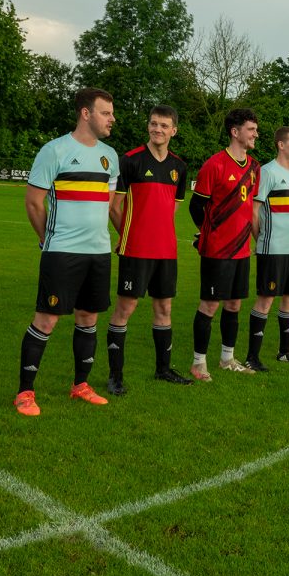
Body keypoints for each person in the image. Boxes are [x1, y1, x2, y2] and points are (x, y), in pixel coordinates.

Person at [14, 88, 120, 416]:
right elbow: (33, 202)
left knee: (89, 318)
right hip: (62, 252)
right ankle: (25, 393)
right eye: (106, 113)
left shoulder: (110, 156)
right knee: (46, 319)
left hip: (98, 252)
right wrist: (49, 239)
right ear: (86, 114)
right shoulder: (54, 151)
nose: (111, 119)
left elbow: (110, 204)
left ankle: (81, 385)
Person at [104, 105, 192, 393]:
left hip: (166, 251)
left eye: (164, 125)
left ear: (174, 131)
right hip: (136, 249)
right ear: (148, 127)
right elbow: (114, 207)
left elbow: (171, 211)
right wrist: (130, 233)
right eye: (154, 124)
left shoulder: (179, 167)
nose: (158, 129)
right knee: (125, 308)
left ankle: (163, 369)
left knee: (164, 307)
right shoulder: (129, 161)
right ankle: (115, 376)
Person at [188, 108, 261, 380]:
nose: (255, 134)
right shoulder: (214, 164)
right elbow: (196, 207)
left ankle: (227, 358)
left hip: (242, 250)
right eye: (251, 129)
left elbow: (250, 209)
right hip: (217, 250)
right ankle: (198, 363)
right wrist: (208, 233)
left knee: (234, 305)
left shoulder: (254, 168)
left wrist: (255, 238)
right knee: (209, 305)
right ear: (235, 131)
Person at [247, 126, 289, 370]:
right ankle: (252, 357)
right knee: (266, 300)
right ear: (281, 145)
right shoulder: (266, 172)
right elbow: (254, 211)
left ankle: (285, 352)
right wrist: (260, 240)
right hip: (272, 248)